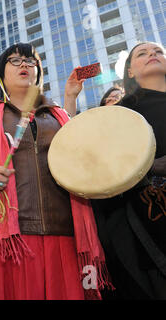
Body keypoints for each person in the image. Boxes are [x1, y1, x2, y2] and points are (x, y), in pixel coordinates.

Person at [0, 43, 112, 300]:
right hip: (7, 238)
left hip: (65, 233)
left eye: (30, 61)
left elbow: (80, 160)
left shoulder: (59, 117)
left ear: (38, 73)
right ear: (0, 75)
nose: (24, 64)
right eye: (15, 60)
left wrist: (70, 101)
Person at [91, 42, 166, 299]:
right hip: (151, 224)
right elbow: (106, 163)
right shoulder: (123, 112)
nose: (152, 55)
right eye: (142, 54)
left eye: (158, 51)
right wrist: (151, 165)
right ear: (130, 71)